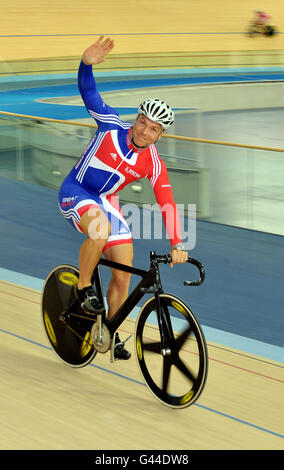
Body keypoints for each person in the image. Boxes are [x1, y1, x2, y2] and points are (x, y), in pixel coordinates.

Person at [58, 36, 188, 360]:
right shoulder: (110, 123)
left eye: (153, 129)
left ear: (160, 135)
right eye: (143, 122)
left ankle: (109, 331)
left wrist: (177, 243)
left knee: (123, 272)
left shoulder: (154, 161)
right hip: (77, 191)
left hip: (106, 201)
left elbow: (167, 203)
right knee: (98, 231)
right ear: (137, 117)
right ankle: (84, 287)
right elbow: (89, 92)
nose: (145, 131)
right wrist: (85, 64)